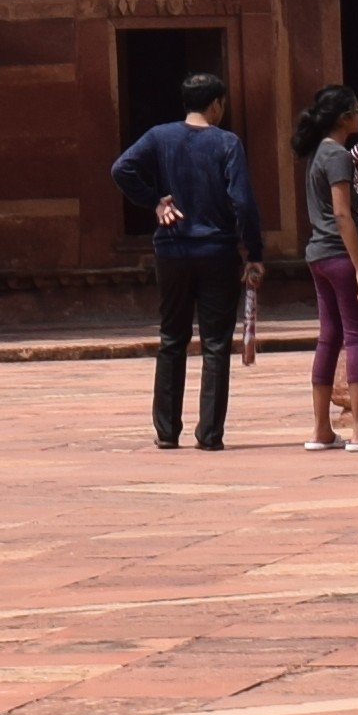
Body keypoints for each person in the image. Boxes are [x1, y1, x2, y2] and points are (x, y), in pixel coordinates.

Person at [109, 71, 255, 449]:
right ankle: (209, 434)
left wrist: (155, 200)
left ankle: (166, 431)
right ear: (217, 104)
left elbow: (121, 168)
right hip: (217, 251)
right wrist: (253, 252)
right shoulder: (227, 143)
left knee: (172, 338)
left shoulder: (160, 136)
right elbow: (242, 201)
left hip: (172, 249)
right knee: (215, 344)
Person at [292, 85, 358, 452]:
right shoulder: (338, 156)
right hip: (340, 255)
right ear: (344, 117)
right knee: (356, 336)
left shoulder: (316, 153)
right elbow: (342, 213)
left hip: (317, 254)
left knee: (329, 337)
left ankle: (321, 429)